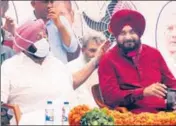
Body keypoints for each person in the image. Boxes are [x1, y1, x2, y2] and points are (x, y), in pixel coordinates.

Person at [1, 19, 110, 119]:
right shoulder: (10, 66)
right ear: (25, 44)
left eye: (44, 36)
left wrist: (96, 60)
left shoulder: (55, 62)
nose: (44, 40)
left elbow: (72, 81)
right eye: (38, 37)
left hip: (68, 119)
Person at [98, 9, 176, 113]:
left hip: (164, 113)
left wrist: (172, 105)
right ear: (116, 35)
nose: (128, 37)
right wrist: (143, 92)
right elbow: (110, 98)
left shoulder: (154, 53)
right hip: (133, 116)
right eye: (122, 33)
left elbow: (172, 84)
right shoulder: (108, 60)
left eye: (132, 32)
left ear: (139, 33)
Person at [67, 33, 105, 107]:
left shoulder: (107, 68)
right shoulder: (70, 68)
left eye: (99, 51)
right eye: (92, 50)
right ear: (83, 49)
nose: (96, 55)